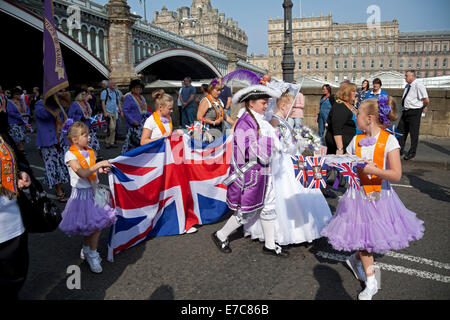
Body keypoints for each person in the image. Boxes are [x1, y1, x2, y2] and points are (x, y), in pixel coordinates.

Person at [321, 97, 424, 300]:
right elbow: (347, 164)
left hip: (380, 197)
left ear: (368, 118)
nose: (355, 117)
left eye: (357, 114)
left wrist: (373, 170)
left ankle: (356, 259)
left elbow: (396, 174)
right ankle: (371, 281)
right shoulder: (356, 141)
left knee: (369, 239)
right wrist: (331, 161)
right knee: (365, 240)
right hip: (357, 197)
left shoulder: (389, 141)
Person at [211, 84, 291, 257]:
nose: (266, 106)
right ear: (251, 103)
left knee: (268, 205)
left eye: (267, 102)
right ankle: (220, 235)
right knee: (247, 209)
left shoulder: (258, 119)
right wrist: (270, 143)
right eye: (263, 103)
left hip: (263, 171)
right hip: (251, 174)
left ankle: (269, 245)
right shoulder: (244, 122)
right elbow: (245, 151)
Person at [243, 92, 332, 245]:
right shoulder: (274, 122)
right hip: (281, 164)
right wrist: (294, 145)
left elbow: (288, 144)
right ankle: (279, 232)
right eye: (291, 106)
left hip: (291, 160)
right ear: (283, 106)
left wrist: (299, 143)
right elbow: (275, 145)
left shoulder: (283, 121)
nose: (293, 110)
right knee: (280, 196)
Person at [59, 122, 117, 274]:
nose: (89, 137)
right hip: (81, 196)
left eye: (88, 134)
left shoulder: (90, 151)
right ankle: (92, 254)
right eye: (85, 135)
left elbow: (92, 172)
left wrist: (101, 169)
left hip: (92, 192)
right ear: (75, 140)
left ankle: (86, 249)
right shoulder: (70, 155)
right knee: (94, 226)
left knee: (91, 226)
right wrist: (98, 166)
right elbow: (82, 173)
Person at [0, 106, 33, 299]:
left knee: (15, 276)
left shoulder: (2, 134)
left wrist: (21, 175)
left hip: (12, 222)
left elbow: (17, 161)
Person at [34, 96, 69, 203]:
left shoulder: (58, 102)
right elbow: (45, 115)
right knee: (53, 166)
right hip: (48, 141)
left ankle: (59, 186)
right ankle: (58, 190)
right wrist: (53, 105)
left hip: (60, 140)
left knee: (62, 164)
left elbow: (65, 119)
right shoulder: (40, 104)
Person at [397, 70, 429, 161]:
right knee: (401, 131)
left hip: (414, 112)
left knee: (413, 133)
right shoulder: (407, 86)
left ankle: (412, 152)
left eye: (406, 76)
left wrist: (422, 107)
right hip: (405, 111)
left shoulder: (419, 85)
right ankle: (400, 149)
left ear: (412, 76)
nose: (405, 77)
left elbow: (426, 100)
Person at [325, 82, 357, 155]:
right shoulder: (340, 106)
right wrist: (340, 148)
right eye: (353, 91)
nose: (356, 93)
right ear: (347, 92)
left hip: (350, 144)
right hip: (342, 146)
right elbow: (337, 128)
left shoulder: (348, 104)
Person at [121, 79, 151, 154]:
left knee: (141, 142)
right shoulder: (128, 97)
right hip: (134, 124)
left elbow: (145, 111)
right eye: (137, 87)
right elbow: (126, 111)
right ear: (132, 88)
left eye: (140, 88)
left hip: (143, 124)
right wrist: (132, 121)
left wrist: (154, 116)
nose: (138, 89)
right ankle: (125, 157)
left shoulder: (142, 98)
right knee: (131, 142)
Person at [100, 79, 122, 149]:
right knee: (111, 127)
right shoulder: (105, 92)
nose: (114, 85)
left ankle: (111, 142)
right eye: (113, 84)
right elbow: (103, 102)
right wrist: (105, 112)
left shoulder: (116, 92)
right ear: (109, 85)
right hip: (108, 113)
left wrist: (120, 110)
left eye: (115, 84)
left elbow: (118, 102)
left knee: (114, 128)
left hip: (114, 112)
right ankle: (107, 142)